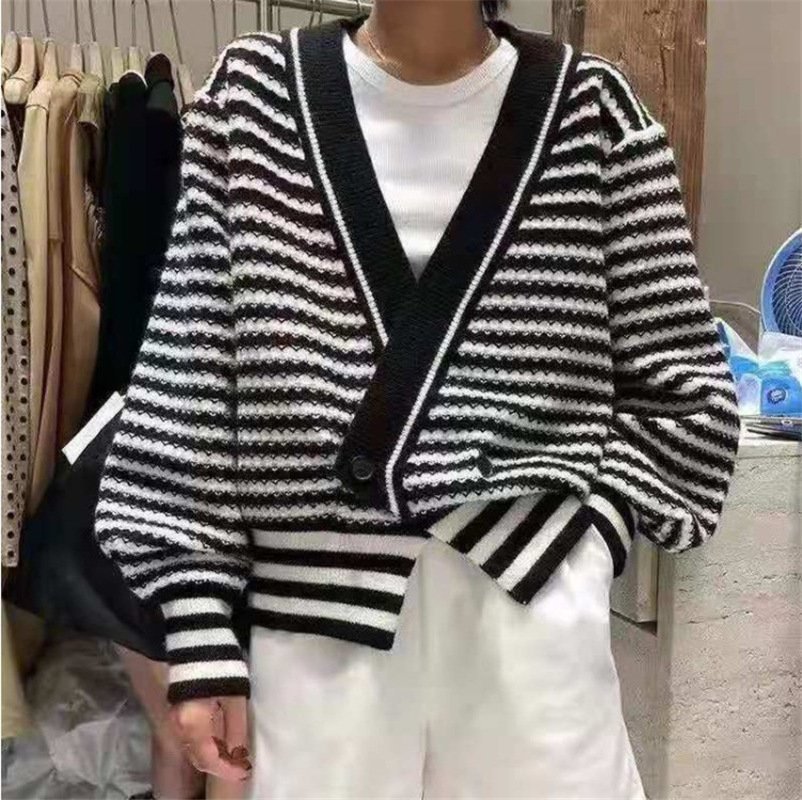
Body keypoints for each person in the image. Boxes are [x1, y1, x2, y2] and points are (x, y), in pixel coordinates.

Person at [94, 1, 741, 797]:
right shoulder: (252, 98)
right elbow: (189, 380)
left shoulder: (592, 112)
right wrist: (198, 626)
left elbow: (687, 397)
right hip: (318, 631)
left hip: (528, 617)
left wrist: (588, 539)